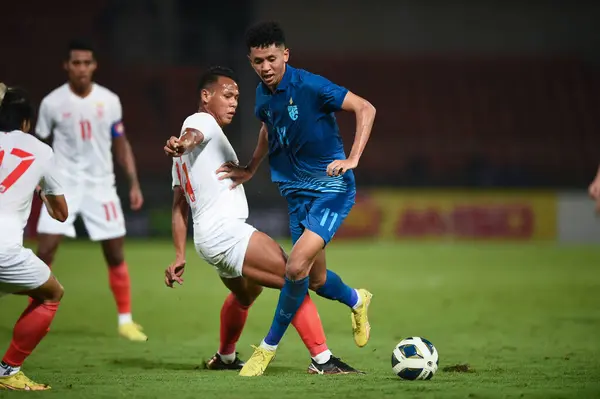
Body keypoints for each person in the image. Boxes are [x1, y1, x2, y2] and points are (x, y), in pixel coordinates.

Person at [164, 66, 362, 375]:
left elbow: (179, 205)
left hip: (207, 239)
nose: (233, 103)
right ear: (206, 96)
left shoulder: (187, 156)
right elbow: (192, 135)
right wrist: (183, 142)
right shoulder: (200, 123)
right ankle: (323, 361)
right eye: (227, 95)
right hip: (227, 233)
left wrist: (179, 254)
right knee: (293, 277)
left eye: (237, 98)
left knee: (247, 295)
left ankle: (225, 357)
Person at [216, 21, 377, 376]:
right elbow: (266, 128)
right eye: (258, 61)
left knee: (293, 268)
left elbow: (366, 108)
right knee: (316, 280)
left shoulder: (310, 85)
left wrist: (352, 159)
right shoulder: (261, 94)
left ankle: (266, 349)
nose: (266, 67)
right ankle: (357, 299)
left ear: (285, 55)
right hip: (296, 196)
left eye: (272, 58)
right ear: (251, 61)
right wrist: (250, 168)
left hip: (331, 189)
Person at [34, 39, 146, 341]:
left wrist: (133, 182)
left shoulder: (109, 100)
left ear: (94, 65)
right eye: (76, 63)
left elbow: (120, 144)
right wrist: (38, 182)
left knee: (114, 253)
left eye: (87, 63)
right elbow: (38, 144)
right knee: (44, 251)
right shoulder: (52, 103)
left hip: (101, 186)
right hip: (63, 185)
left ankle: (125, 321)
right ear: (66, 66)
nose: (81, 68)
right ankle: (35, 314)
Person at [0, 83, 69, 390]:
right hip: (5, 251)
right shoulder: (40, 150)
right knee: (51, 294)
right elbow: (61, 213)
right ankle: (8, 370)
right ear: (26, 123)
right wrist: (39, 189)